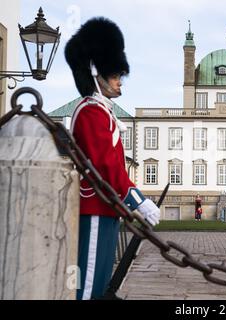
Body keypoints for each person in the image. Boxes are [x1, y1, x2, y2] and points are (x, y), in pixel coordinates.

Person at [65, 17, 160, 300]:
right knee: (89, 280)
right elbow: (105, 166)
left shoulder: (102, 111)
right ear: (97, 72)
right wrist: (138, 201)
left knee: (102, 278)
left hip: (105, 206)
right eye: (116, 75)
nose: (120, 83)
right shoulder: (91, 111)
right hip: (94, 204)